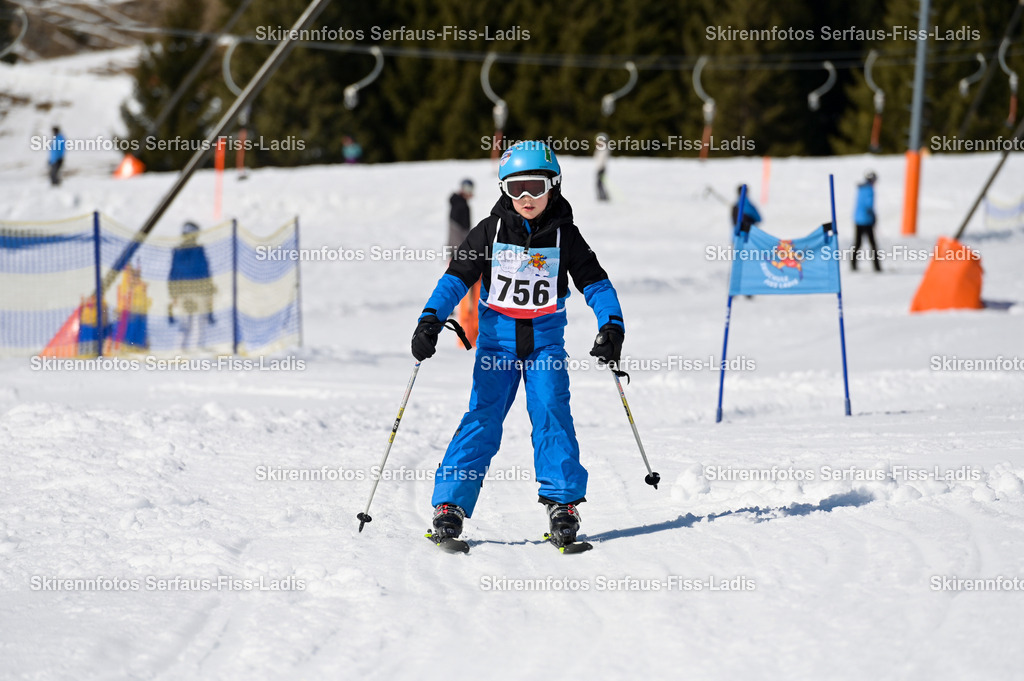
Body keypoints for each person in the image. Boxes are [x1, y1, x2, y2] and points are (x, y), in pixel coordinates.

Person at [412, 141, 625, 548]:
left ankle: (562, 504)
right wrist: (430, 318)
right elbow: (456, 277)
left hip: (545, 347)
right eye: (516, 189)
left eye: (536, 187)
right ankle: (449, 506)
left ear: (554, 186)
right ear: (503, 190)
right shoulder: (490, 231)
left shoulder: (565, 235)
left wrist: (612, 325)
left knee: (551, 414)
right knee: (483, 419)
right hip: (497, 349)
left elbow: (596, 283)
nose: (527, 198)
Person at [168, 221, 216, 348]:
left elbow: (204, 270)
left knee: (193, 323)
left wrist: (174, 294)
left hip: (192, 292)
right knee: (191, 323)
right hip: (193, 292)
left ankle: (187, 349)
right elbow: (175, 273)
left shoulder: (192, 251)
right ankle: (184, 350)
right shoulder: (190, 251)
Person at [448, 179, 479, 347]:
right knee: (465, 292)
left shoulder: (457, 203)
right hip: (460, 253)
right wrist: (467, 251)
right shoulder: (462, 206)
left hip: (455, 251)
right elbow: (461, 233)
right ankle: (467, 335)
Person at [852, 171, 881, 272]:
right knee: (873, 244)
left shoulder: (861, 189)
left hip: (857, 219)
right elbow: (869, 206)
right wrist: (874, 217)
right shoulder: (870, 190)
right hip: (867, 220)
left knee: (857, 243)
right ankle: (877, 267)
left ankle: (853, 265)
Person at [595, 133, 610, 201]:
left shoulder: (604, 150)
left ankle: (603, 197)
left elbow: (602, 160)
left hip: (601, 169)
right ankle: (602, 197)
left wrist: (600, 168)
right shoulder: (600, 149)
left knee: (600, 184)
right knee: (599, 184)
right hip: (599, 168)